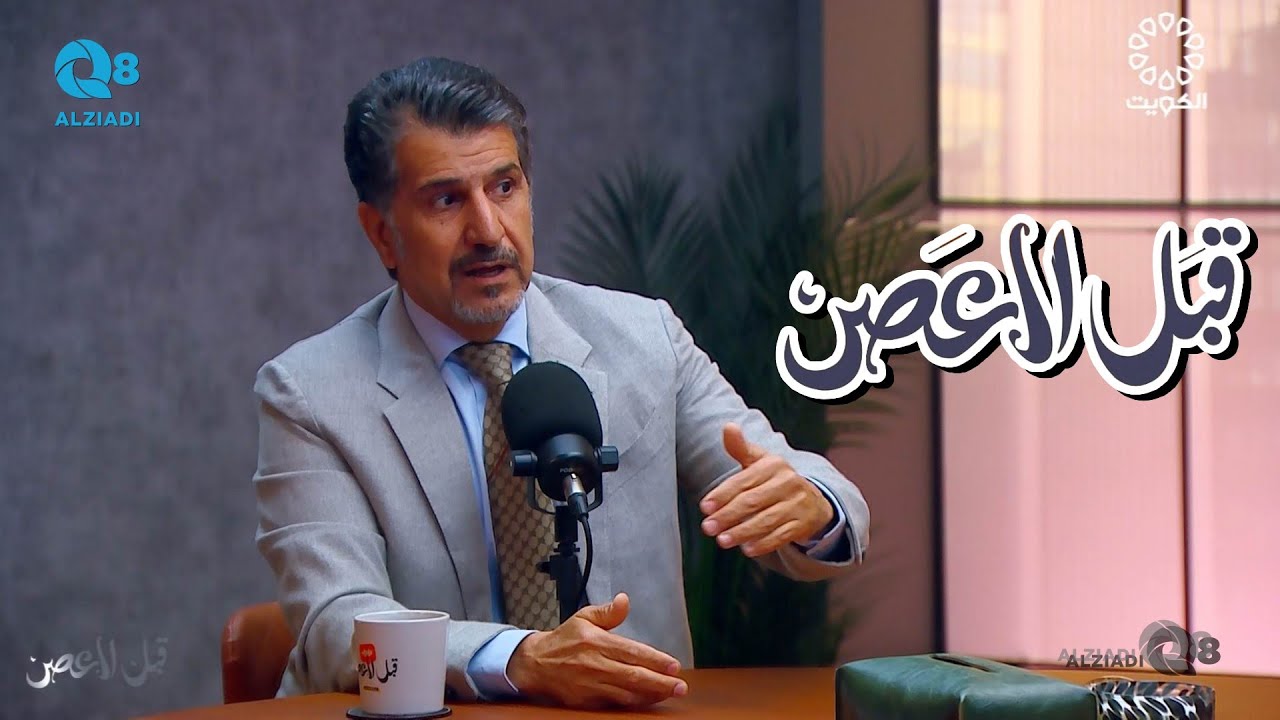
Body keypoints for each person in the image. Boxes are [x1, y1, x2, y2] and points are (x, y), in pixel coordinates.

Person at [252, 56, 870, 710]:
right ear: (382, 234)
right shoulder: (310, 394)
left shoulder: (643, 338)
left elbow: (815, 491)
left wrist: (812, 506)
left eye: (504, 187)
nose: (488, 230)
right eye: (446, 200)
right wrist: (519, 659)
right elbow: (338, 624)